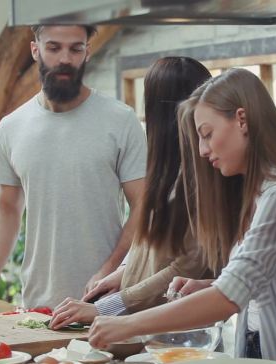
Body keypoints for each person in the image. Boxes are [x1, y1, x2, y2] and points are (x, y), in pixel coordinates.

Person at [86, 68, 276, 364]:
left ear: (242, 120)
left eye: (207, 134)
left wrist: (126, 323)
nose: (202, 150)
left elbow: (229, 297)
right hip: (264, 362)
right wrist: (209, 286)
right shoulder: (258, 193)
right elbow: (256, 288)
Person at [0, 25, 147, 309]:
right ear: (35, 50)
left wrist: (111, 270)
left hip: (103, 302)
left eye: (75, 48)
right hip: (37, 305)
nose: (65, 58)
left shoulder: (120, 120)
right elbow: (7, 206)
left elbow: (143, 205)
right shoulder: (11, 127)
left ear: (87, 52)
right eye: (54, 48)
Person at [48, 57, 213, 328]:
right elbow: (151, 243)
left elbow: (188, 266)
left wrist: (106, 307)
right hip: (149, 324)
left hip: (177, 330)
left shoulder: (204, 173)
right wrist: (123, 272)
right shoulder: (166, 166)